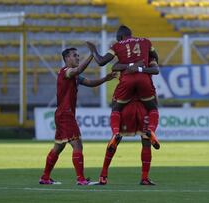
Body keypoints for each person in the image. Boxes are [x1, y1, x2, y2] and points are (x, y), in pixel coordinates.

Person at [39, 47, 117, 185]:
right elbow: (78, 70)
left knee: (59, 146)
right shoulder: (66, 72)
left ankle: (45, 177)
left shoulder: (74, 75)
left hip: (62, 114)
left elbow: (90, 83)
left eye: (78, 56)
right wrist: (92, 55)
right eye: (75, 55)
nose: (77, 58)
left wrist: (105, 78)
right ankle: (80, 179)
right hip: (65, 115)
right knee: (77, 145)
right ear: (67, 59)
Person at [86, 25, 161, 151]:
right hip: (144, 79)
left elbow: (101, 62)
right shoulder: (145, 41)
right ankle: (151, 131)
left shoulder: (117, 45)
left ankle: (115, 133)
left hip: (127, 80)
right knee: (152, 107)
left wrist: (93, 50)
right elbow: (155, 57)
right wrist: (147, 62)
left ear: (120, 37)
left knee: (116, 107)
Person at [96, 98, 156, 185]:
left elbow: (115, 100)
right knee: (146, 141)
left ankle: (103, 176)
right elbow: (153, 99)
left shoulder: (123, 84)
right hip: (143, 110)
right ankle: (145, 177)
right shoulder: (147, 84)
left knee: (117, 138)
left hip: (125, 110)